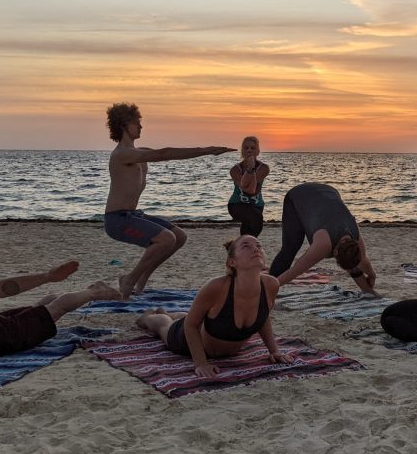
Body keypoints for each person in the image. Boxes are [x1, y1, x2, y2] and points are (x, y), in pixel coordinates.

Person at [103, 103, 234, 299]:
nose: (141, 126)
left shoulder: (137, 152)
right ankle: (129, 279)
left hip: (131, 215)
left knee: (179, 236)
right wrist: (207, 150)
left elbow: (167, 154)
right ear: (123, 125)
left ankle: (140, 280)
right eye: (136, 122)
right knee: (166, 239)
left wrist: (202, 152)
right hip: (117, 220)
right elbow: (163, 154)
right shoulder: (123, 154)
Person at [136, 235, 294, 376]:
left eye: (259, 246)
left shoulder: (271, 284)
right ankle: (149, 317)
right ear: (232, 262)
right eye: (246, 246)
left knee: (193, 317)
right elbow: (191, 325)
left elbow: (263, 316)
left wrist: (274, 351)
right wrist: (200, 363)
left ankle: (172, 314)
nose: (255, 249)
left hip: (216, 334)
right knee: (164, 325)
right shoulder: (216, 287)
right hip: (186, 341)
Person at [268, 182, 377, 294]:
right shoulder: (323, 245)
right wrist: (272, 287)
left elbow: (363, 262)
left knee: (350, 260)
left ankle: (367, 291)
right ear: (334, 251)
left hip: (328, 191)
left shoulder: (356, 240)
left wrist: (372, 275)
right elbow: (296, 270)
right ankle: (268, 284)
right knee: (290, 248)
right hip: (298, 195)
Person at [228, 136, 270, 237]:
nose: (249, 150)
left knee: (250, 224)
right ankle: (246, 244)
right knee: (255, 217)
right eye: (246, 148)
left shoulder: (264, 168)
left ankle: (243, 245)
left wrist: (251, 169)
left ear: (258, 151)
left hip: (257, 205)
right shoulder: (235, 170)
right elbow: (246, 189)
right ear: (242, 151)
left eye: (252, 148)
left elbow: (253, 190)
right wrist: (250, 169)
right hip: (237, 205)